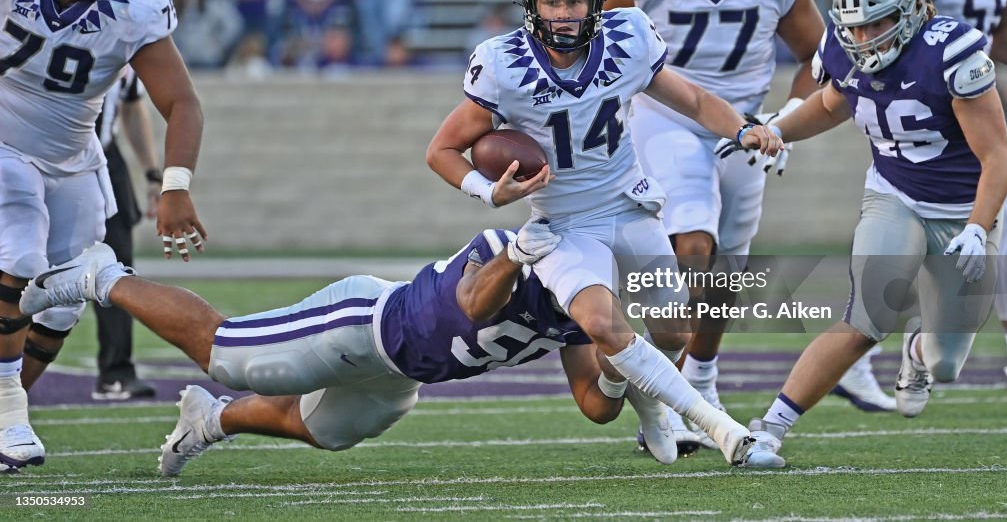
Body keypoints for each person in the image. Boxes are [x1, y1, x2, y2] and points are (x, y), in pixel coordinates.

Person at [426, 0, 782, 466]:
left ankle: (646, 406)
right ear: (532, 4)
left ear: (596, 2)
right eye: (552, 1)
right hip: (563, 223)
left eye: (574, 1)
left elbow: (693, 99)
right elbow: (442, 150)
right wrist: (489, 191)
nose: (564, 13)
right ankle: (726, 432)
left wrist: (743, 128)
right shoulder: (502, 64)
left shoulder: (630, 36)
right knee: (603, 325)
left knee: (672, 333)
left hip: (627, 204)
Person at [601, 0, 894, 455]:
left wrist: (782, 117)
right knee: (693, 243)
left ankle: (700, 381)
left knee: (728, 267)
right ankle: (664, 398)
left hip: (745, 122)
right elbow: (602, 45)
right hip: (667, 115)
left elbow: (820, 55)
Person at [30, 226, 633, 476]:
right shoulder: (513, 245)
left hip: (403, 375)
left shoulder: (585, 315)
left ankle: (212, 419)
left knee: (328, 430)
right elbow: (475, 305)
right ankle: (101, 277)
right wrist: (516, 257)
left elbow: (595, 406)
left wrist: (621, 363)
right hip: (363, 324)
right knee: (228, 355)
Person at [724, 0, 1007, 468]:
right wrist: (778, 129)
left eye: (876, 24)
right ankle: (768, 431)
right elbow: (835, 103)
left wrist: (976, 226)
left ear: (908, 10)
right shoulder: (842, 49)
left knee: (947, 364)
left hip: (965, 210)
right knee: (866, 319)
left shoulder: (953, 53)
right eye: (854, 27)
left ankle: (917, 354)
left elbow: (998, 157)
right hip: (894, 196)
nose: (863, 39)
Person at [0, 0, 207, 471]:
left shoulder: (138, 0)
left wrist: (174, 184)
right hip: (4, 139)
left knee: (63, 303)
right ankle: (10, 414)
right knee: (17, 254)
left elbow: (182, 102)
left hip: (75, 154)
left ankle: (8, 409)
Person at [892, 0, 1007, 412]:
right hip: (932, 97)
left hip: (979, 89)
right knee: (978, 220)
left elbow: (1000, 28)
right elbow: (903, 16)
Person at [92, 67, 160, 400]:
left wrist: (152, 174)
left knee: (116, 268)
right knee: (22, 263)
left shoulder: (123, 36)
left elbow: (132, 105)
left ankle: (116, 371)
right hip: (40, 158)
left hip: (103, 159)